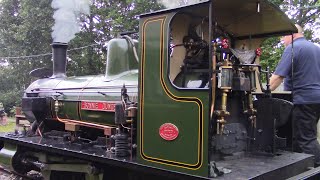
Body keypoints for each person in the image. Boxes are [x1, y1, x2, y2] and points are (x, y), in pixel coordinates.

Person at [270, 24, 320, 166]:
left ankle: (315, 170)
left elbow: (278, 77)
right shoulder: (316, 48)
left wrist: (263, 92)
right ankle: (301, 167)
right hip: (316, 100)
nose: (282, 40)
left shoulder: (293, 48)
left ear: (290, 34)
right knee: (304, 136)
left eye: (283, 36)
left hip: (303, 99)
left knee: (305, 139)